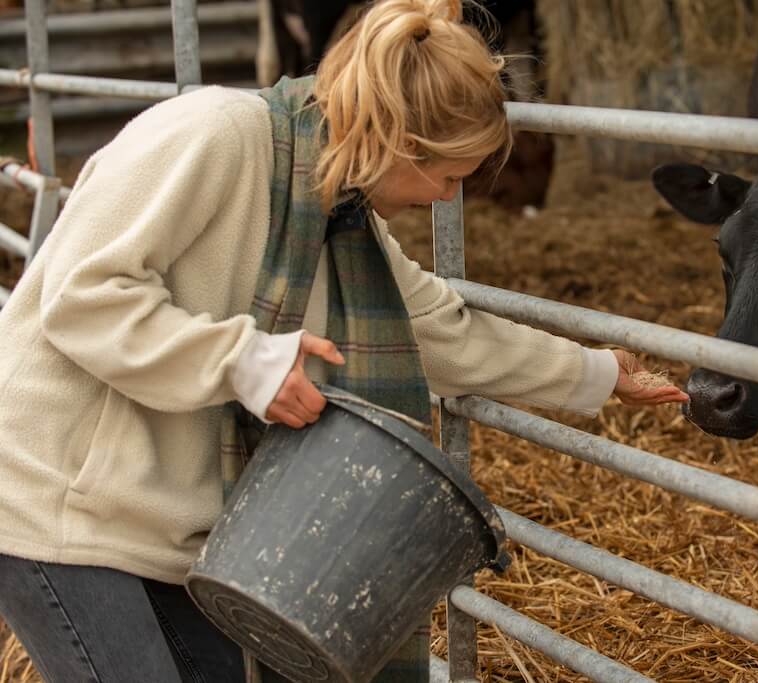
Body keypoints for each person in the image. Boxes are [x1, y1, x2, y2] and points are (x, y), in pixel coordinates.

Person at [0, 0, 688, 681]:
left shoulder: (344, 220)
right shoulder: (212, 135)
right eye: (449, 175)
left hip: (163, 526)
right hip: (55, 495)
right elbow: (81, 297)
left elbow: (446, 333)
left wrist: (598, 374)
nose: (449, 198)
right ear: (399, 141)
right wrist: (243, 361)